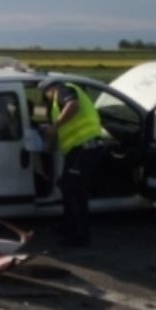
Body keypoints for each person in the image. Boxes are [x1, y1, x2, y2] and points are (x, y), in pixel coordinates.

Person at [39, 79, 104, 247]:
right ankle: (69, 227)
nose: (46, 98)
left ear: (49, 89)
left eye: (45, 94)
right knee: (68, 188)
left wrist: (55, 126)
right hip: (79, 150)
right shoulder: (58, 99)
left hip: (84, 148)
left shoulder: (62, 90)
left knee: (74, 191)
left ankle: (80, 236)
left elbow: (73, 105)